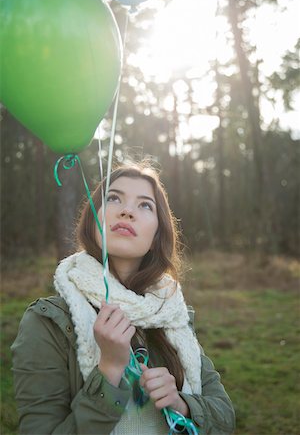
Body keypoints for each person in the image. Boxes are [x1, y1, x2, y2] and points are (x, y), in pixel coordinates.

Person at [11, 161, 235, 435]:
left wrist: (182, 404)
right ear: (94, 217)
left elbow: (224, 418)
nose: (127, 211)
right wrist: (109, 370)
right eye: (114, 198)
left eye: (144, 205)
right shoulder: (49, 322)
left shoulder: (171, 314)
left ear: (156, 235)